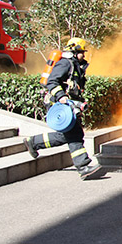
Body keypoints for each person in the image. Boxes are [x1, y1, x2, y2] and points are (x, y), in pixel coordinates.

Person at [23, 37, 102, 180]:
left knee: (67, 135)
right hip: (60, 105)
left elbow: (74, 88)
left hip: (68, 105)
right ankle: (83, 167)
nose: (83, 55)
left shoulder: (75, 66)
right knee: (74, 134)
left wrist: (79, 103)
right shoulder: (65, 63)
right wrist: (61, 97)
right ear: (75, 50)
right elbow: (52, 82)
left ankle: (33, 142)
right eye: (82, 52)